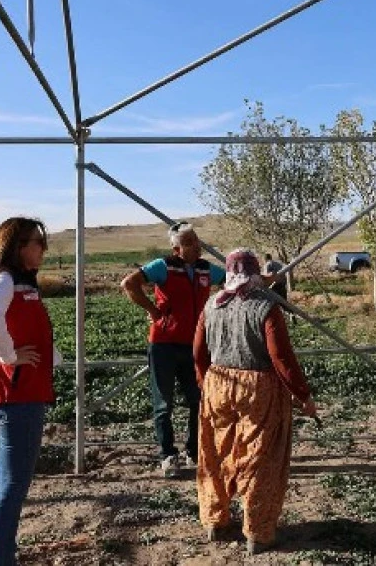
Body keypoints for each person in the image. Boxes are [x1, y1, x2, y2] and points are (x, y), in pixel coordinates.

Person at [193, 249, 317, 556]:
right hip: (258, 389)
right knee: (261, 458)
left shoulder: (212, 304)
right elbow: (281, 358)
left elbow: (198, 351)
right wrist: (303, 395)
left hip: (218, 384)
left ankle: (215, 520)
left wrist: (205, 382)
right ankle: (258, 532)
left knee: (215, 451)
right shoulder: (266, 307)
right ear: (254, 271)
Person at [0, 217, 62, 566]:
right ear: (18, 246)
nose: (43, 248)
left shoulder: (21, 282)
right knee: (12, 484)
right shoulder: (5, 280)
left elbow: (25, 326)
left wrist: (53, 358)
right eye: (37, 241)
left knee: (3, 482)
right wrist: (10, 356)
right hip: (15, 392)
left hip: (20, 390)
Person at [120, 222, 227, 478]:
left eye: (197, 240)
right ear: (177, 248)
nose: (197, 246)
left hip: (195, 344)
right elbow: (129, 284)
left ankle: (193, 450)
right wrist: (153, 311)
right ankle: (167, 455)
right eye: (190, 242)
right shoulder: (163, 266)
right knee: (163, 403)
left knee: (198, 400)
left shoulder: (205, 270)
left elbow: (230, 281)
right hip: (164, 344)